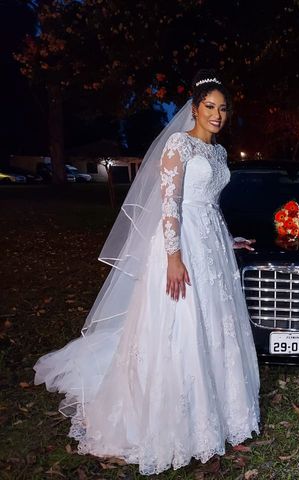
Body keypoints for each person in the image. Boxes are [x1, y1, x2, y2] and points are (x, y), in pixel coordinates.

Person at [33, 70, 261, 475]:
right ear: (194, 109)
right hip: (181, 244)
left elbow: (208, 204)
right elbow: (170, 202)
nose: (217, 114)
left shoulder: (220, 154)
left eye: (223, 109)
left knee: (215, 324)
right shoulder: (179, 144)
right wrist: (173, 256)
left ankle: (222, 415)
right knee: (183, 324)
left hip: (211, 247)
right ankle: (176, 422)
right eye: (210, 107)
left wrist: (229, 241)